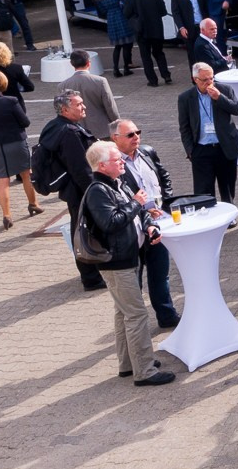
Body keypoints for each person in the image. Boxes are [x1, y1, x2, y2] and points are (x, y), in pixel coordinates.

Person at [84, 141, 174, 386]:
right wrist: (135, 202)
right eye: (117, 160)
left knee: (123, 312)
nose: (122, 162)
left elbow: (139, 213)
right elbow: (111, 222)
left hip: (128, 257)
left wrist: (149, 226)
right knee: (136, 315)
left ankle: (127, 364)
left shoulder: (117, 182)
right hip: (116, 262)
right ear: (102, 165)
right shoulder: (97, 190)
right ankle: (144, 370)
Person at [114, 119, 181, 329]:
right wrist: (143, 211)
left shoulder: (147, 152)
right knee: (136, 278)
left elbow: (164, 176)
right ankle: (136, 322)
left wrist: (167, 201)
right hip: (134, 228)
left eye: (137, 132)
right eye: (130, 135)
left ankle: (167, 316)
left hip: (158, 222)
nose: (136, 137)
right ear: (115, 139)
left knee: (160, 273)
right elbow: (121, 198)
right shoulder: (115, 165)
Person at [39, 90, 102, 289]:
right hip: (80, 191)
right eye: (79, 104)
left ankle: (92, 270)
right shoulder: (69, 133)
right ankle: (91, 277)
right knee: (85, 231)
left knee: (82, 228)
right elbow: (80, 168)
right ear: (65, 109)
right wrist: (94, 191)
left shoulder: (56, 126)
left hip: (73, 190)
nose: (84, 107)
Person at [0, 71, 41, 228]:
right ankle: (33, 204)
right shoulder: (11, 101)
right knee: (26, 174)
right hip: (15, 141)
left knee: (2, 181)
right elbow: (25, 122)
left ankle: (7, 215)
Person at [177, 62, 238, 201]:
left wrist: (220, 98)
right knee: (203, 191)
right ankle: (207, 216)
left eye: (211, 78)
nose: (209, 82)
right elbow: (184, 127)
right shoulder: (185, 98)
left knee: (228, 187)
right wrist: (190, 151)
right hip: (201, 150)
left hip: (224, 147)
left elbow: (237, 109)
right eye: (205, 79)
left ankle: (230, 213)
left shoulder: (224, 90)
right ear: (195, 79)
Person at [59, 49, 121, 139]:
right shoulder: (100, 81)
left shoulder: (63, 85)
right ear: (88, 63)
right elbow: (110, 107)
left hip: (77, 132)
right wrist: (117, 124)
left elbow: (63, 112)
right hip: (102, 130)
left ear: (72, 64)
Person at [124, 0, 173, 86]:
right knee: (159, 53)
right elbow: (163, 12)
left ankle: (153, 80)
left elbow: (127, 13)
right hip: (156, 30)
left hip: (141, 31)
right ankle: (166, 75)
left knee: (146, 56)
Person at [97, 0, 133, 76]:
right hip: (120, 16)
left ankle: (116, 69)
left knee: (117, 46)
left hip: (111, 18)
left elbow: (102, 10)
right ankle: (126, 68)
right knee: (126, 44)